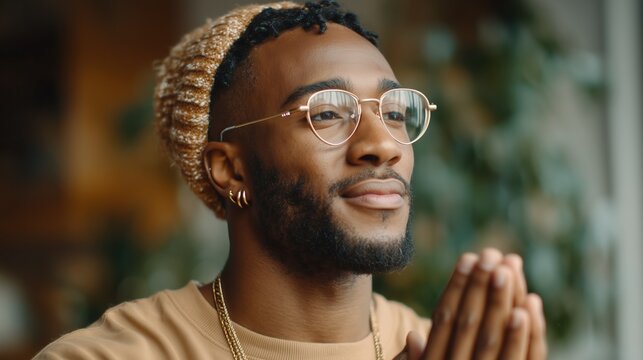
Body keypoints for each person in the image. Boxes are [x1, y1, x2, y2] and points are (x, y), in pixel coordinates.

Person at [35, 1, 547, 359]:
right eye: (326, 114)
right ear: (231, 169)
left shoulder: (450, 348)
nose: (385, 144)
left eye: (395, 111)